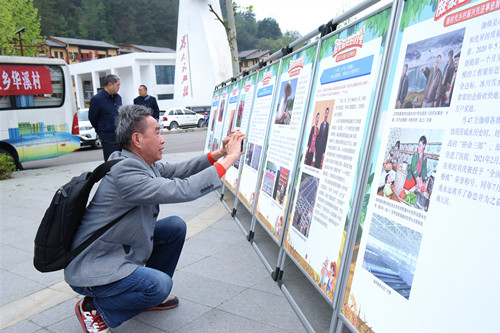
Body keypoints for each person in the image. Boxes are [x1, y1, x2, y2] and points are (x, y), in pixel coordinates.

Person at [66, 104, 245, 332]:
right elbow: (184, 189)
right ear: (137, 139)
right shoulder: (127, 173)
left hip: (114, 250)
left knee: (174, 227)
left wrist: (219, 154)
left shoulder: (134, 161)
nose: (162, 138)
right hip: (94, 267)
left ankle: (148, 297)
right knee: (160, 285)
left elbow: (180, 170)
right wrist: (230, 158)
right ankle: (95, 308)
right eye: (158, 132)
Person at [89, 74, 122, 161]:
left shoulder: (118, 98)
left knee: (122, 162)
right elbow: (92, 118)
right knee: (111, 163)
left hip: (120, 136)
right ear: (110, 85)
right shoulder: (97, 99)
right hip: (107, 138)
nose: (119, 87)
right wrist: (101, 130)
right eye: (118, 85)